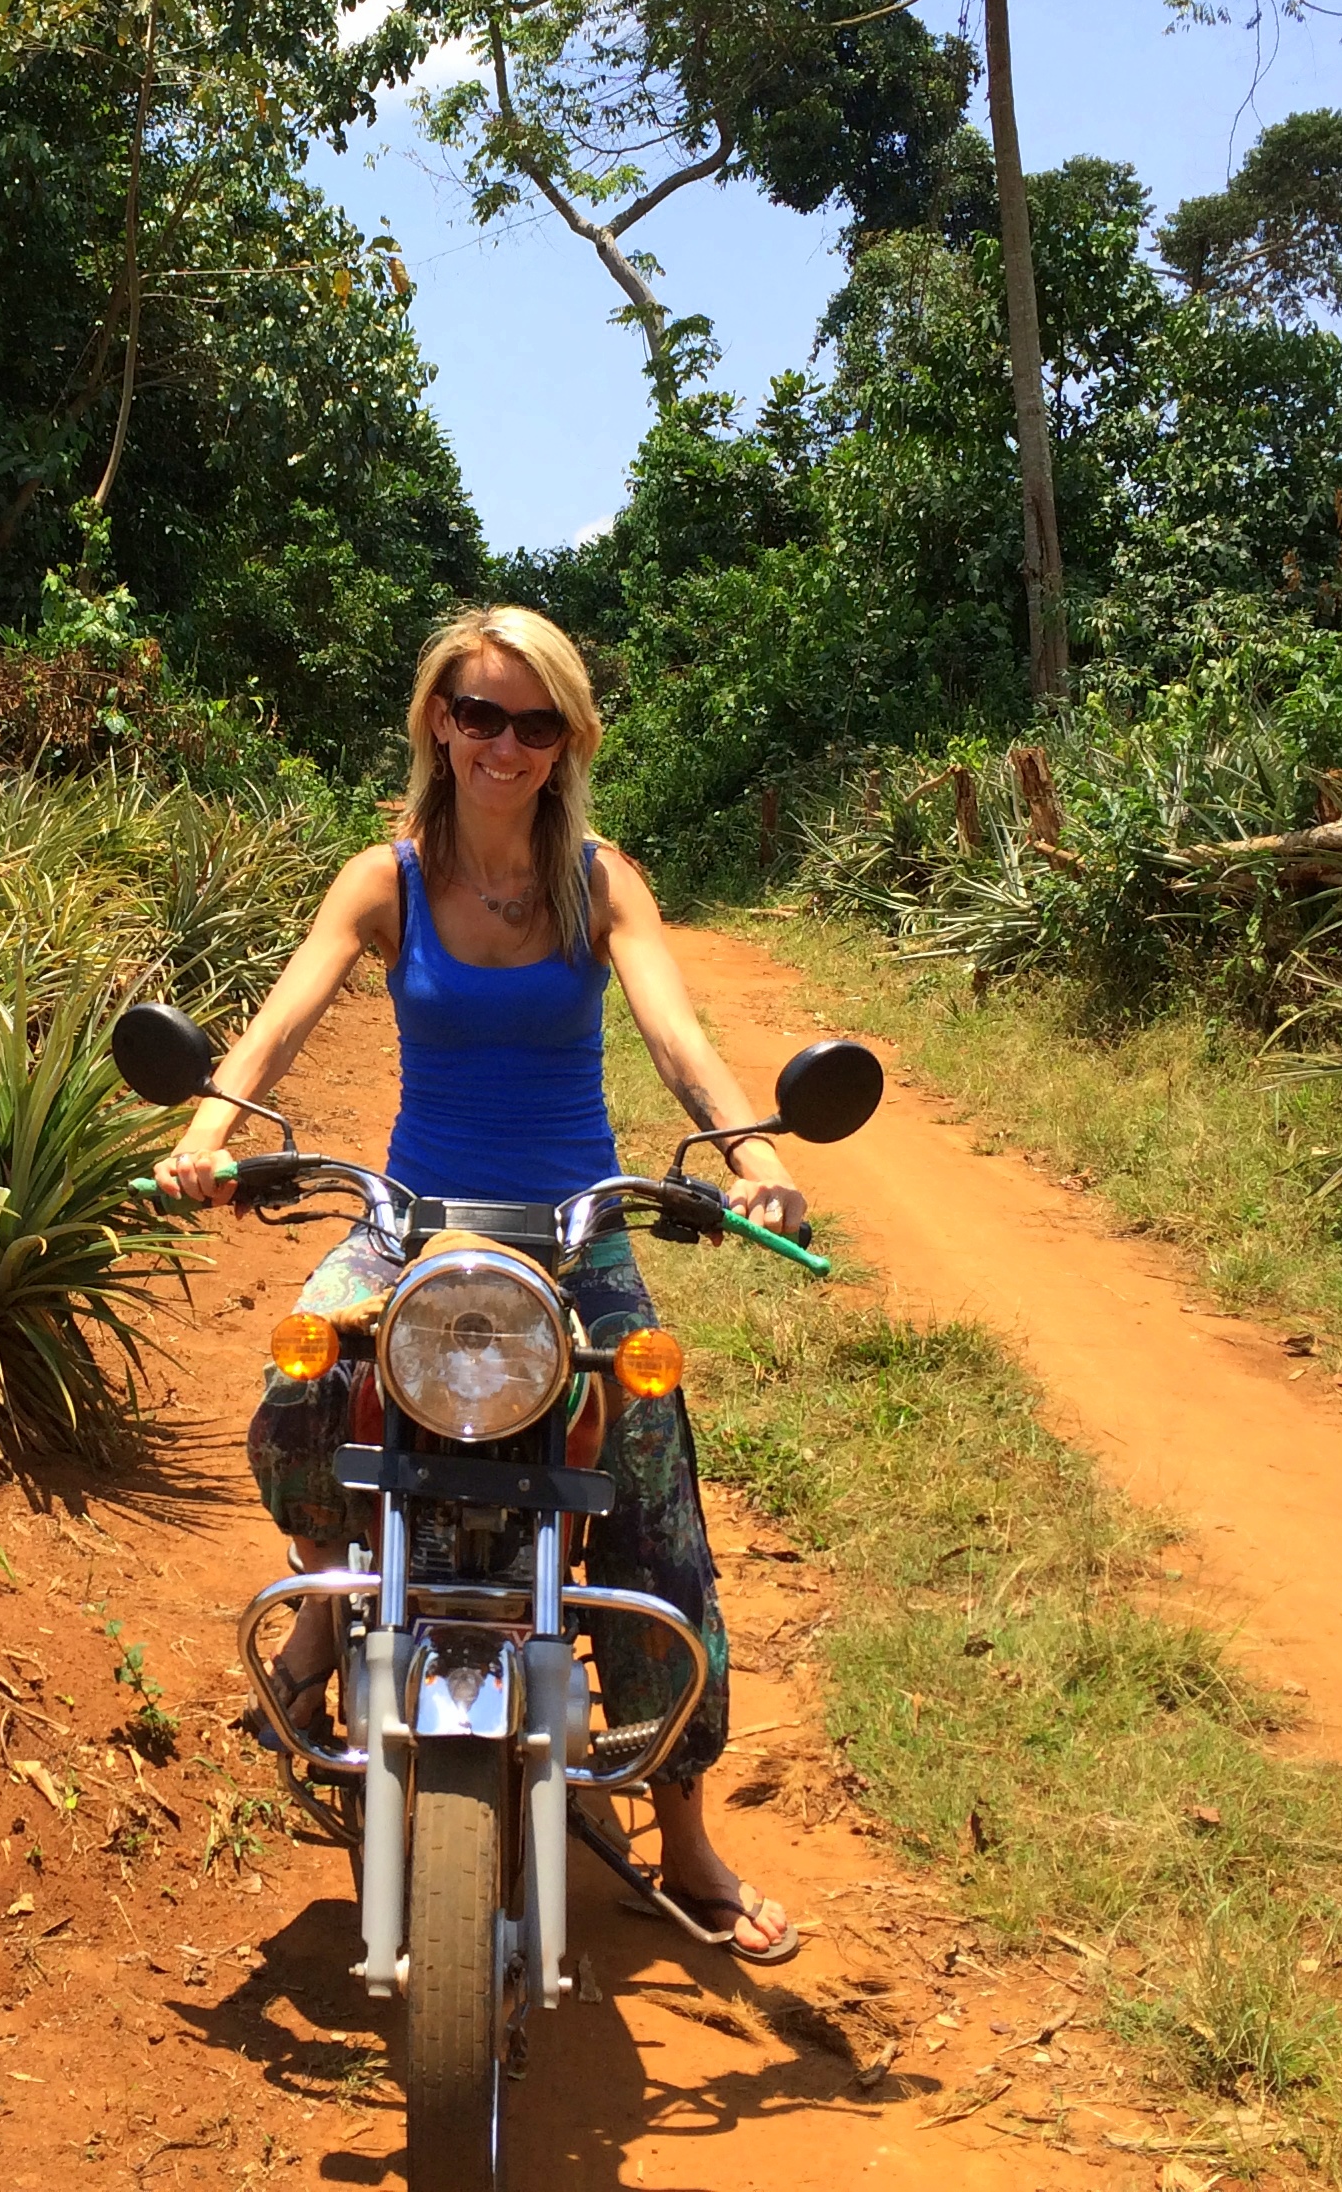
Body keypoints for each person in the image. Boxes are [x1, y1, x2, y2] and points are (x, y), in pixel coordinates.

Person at [155, 604, 806, 1964]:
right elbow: (277, 1024)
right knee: (295, 1391)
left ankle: (685, 1837)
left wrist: (751, 1154)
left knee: (653, 1506)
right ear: (438, 727)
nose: (504, 745)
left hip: (576, 1238)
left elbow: (676, 1035)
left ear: (569, 740)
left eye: (534, 722)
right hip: (412, 1227)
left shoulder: (600, 884)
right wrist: (212, 1133)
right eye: (479, 716)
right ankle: (334, 1600)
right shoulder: (384, 881)